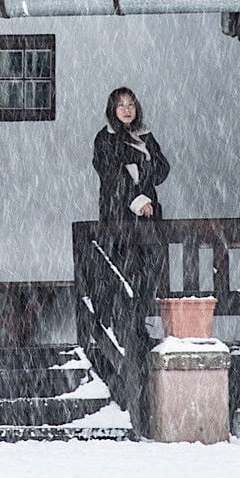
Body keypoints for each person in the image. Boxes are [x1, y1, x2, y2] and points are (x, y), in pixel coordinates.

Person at [93, 88, 170, 312]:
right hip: (119, 214)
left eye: (131, 104)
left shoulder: (145, 134)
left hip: (148, 215)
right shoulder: (105, 138)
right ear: (112, 110)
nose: (127, 110)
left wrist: (140, 172)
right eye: (121, 105)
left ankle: (141, 327)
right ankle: (128, 328)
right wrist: (136, 196)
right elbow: (111, 175)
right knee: (124, 272)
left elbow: (162, 168)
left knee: (149, 272)